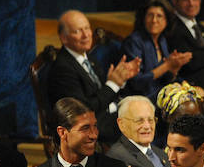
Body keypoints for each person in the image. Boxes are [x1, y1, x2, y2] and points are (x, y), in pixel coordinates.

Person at [46, 10, 140, 144]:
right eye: (78, 31)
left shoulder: (89, 58)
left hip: (107, 116)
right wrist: (113, 84)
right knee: (142, 121)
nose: (86, 35)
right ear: (64, 38)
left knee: (146, 108)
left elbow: (102, 95)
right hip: (90, 127)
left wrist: (121, 78)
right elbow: (83, 110)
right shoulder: (62, 69)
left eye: (87, 28)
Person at [121, 0, 191, 100]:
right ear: (143, 18)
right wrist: (167, 65)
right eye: (150, 15)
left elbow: (164, 79)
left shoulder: (161, 40)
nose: (154, 20)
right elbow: (137, 83)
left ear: (167, 21)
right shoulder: (134, 41)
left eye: (159, 16)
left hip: (159, 93)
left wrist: (174, 69)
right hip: (140, 98)